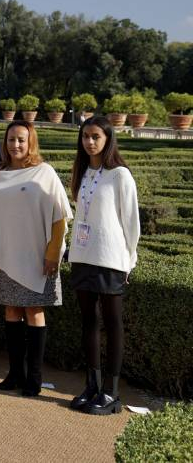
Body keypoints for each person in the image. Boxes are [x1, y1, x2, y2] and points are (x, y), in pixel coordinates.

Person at [0, 120, 72, 397]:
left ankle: (35, 378)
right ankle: (14, 374)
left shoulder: (45, 172)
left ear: (31, 142)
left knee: (34, 311)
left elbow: (60, 217)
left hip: (38, 257)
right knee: (11, 311)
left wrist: (53, 255)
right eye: (11, 139)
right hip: (6, 255)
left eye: (21, 139)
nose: (15, 145)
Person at [67, 116, 140, 415]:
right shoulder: (82, 171)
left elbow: (131, 222)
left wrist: (129, 260)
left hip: (111, 260)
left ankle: (111, 392)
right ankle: (92, 386)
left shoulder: (120, 175)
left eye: (95, 136)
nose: (89, 141)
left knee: (112, 323)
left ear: (108, 139)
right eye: (85, 136)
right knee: (88, 322)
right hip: (82, 257)